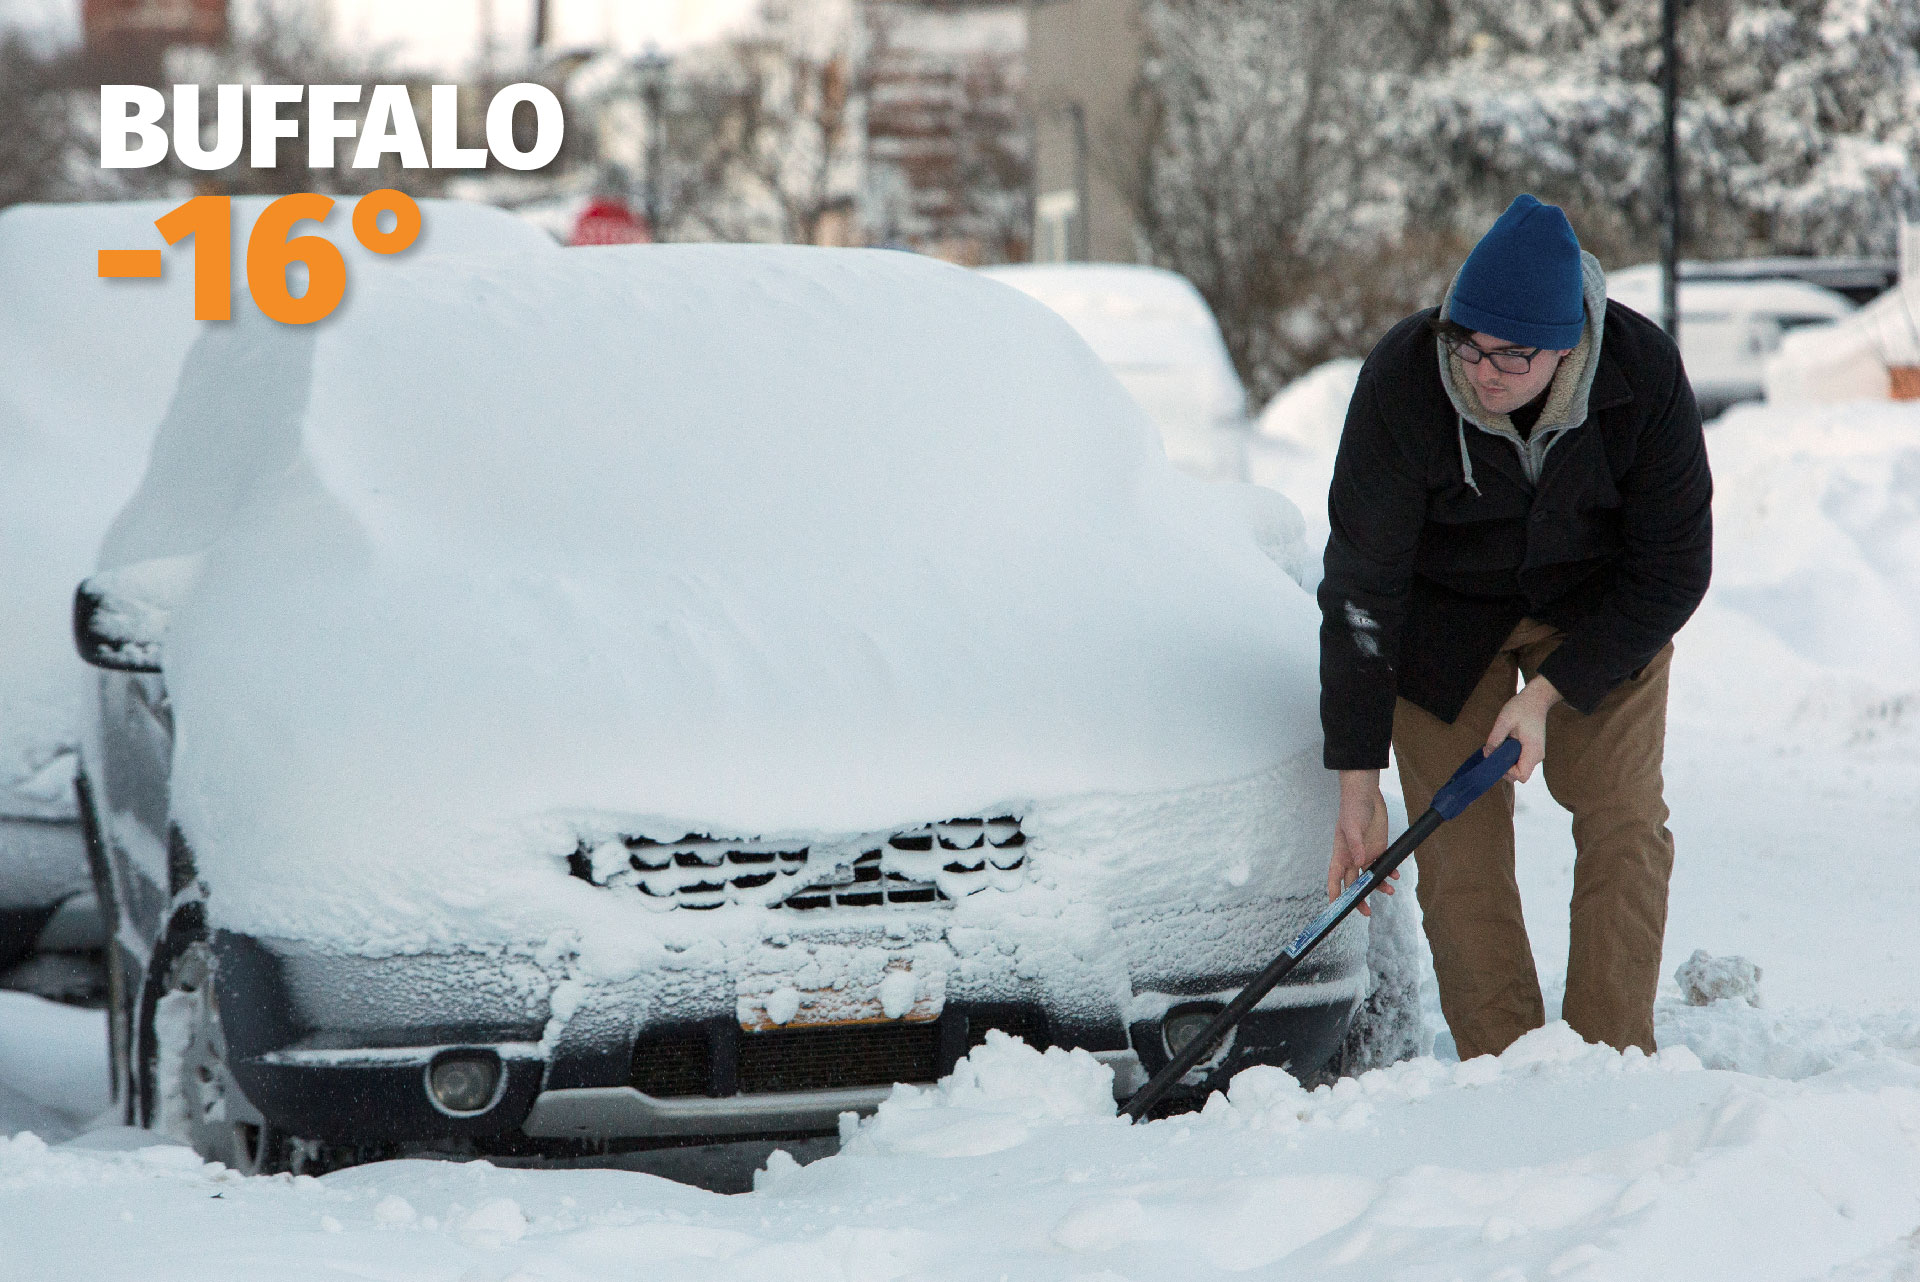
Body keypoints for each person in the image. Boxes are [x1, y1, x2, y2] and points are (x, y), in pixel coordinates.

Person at [1318, 194, 1712, 1060]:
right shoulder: (1404, 381)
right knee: (1456, 849)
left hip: (1597, 614)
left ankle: (1610, 1063)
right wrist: (1356, 775)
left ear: (1568, 343)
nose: (1482, 370)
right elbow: (1361, 585)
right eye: (1467, 342)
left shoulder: (1641, 376)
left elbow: (1675, 569)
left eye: (1511, 354)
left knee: (1621, 818)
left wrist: (1549, 694)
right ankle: (1503, 1070)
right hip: (1443, 625)